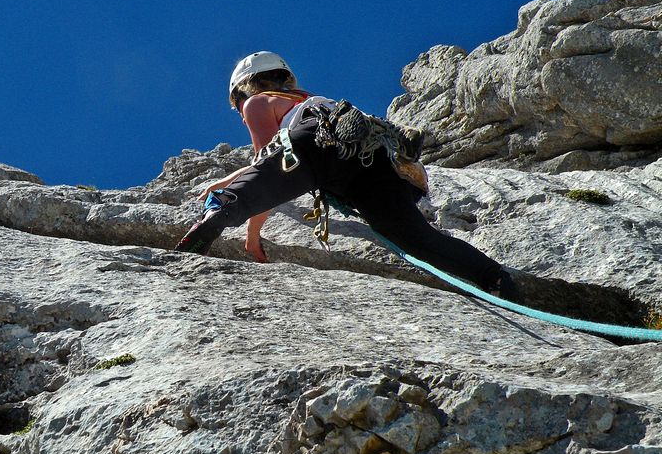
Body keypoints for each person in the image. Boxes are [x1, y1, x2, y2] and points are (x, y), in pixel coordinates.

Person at [174, 51, 518, 298]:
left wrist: (250, 230)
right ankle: (493, 277)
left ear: (243, 89)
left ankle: (210, 220)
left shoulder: (259, 102)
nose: (240, 110)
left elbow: (270, 158)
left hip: (313, 147)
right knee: (414, 238)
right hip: (371, 165)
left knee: (233, 194)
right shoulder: (317, 100)